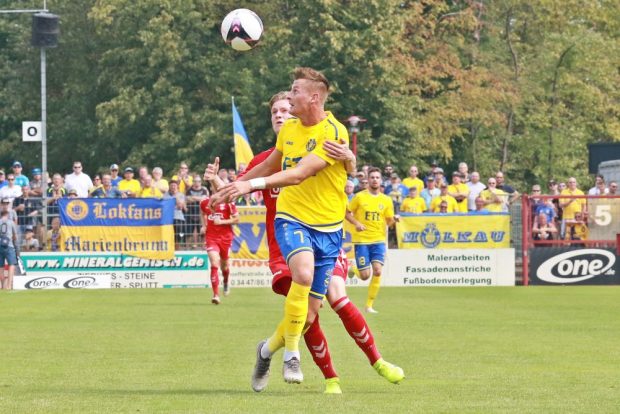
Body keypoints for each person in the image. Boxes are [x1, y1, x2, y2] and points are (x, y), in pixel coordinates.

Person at [206, 91, 403, 394]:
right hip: (284, 247)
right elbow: (240, 187)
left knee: (337, 297)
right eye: (274, 112)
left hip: (324, 237)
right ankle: (330, 378)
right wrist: (219, 184)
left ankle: (376, 361)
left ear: (298, 111)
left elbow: (342, 170)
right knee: (309, 315)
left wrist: (351, 160)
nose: (280, 115)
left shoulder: (318, 143)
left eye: (285, 109)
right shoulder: (264, 161)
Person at [212, 68, 351, 386]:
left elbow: (300, 173)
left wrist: (248, 185)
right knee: (301, 276)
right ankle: (292, 354)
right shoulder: (289, 131)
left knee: (311, 313)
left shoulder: (333, 132)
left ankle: (266, 350)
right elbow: (268, 165)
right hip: (290, 223)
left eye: (294, 92)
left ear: (314, 97)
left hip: (326, 229)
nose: (288, 98)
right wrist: (233, 184)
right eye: (284, 97)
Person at [346, 167, 397, 313]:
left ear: (380, 180)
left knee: (378, 271)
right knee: (364, 276)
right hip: (362, 240)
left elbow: (389, 222)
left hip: (378, 240)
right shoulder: (359, 197)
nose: (375, 179)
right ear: (368, 180)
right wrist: (356, 223)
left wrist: (394, 220)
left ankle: (369, 306)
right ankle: (351, 268)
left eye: (377, 177)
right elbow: (347, 213)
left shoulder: (386, 200)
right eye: (372, 177)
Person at [199, 194, 239, 304]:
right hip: (211, 237)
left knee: (225, 266)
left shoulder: (229, 202)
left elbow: (237, 219)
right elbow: (202, 213)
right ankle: (216, 295)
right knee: (214, 262)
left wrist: (222, 222)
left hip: (226, 238)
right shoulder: (204, 202)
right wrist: (204, 225)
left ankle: (225, 282)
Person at [185, 175, 209, 246]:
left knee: (202, 232)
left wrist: (193, 198)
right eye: (195, 181)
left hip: (201, 213)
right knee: (189, 232)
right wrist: (199, 198)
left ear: (200, 182)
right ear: (193, 182)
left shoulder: (204, 190)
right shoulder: (189, 190)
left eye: (198, 181)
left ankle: (203, 248)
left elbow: (204, 198)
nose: (196, 183)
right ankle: (187, 248)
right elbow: (187, 199)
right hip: (190, 213)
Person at [164, 181, 187, 250]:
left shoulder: (181, 195)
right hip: (168, 217)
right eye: (171, 185)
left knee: (178, 233)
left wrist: (175, 196)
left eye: (174, 185)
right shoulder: (165, 195)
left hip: (178, 217)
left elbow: (180, 206)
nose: (173, 187)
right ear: (169, 186)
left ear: (177, 187)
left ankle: (177, 248)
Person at [0, 208, 19, 290]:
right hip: (9, 245)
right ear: (7, 215)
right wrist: (16, 247)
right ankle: (9, 285)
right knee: (11, 265)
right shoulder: (11, 222)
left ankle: (2, 285)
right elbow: (15, 236)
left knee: (1, 266)